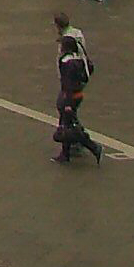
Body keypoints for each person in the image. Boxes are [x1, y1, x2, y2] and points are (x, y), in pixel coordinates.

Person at [51, 13, 103, 163]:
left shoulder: (67, 62)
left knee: (68, 120)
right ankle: (66, 153)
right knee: (67, 121)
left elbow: (67, 83)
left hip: (71, 94)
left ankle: (90, 146)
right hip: (77, 89)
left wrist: (67, 102)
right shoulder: (77, 38)